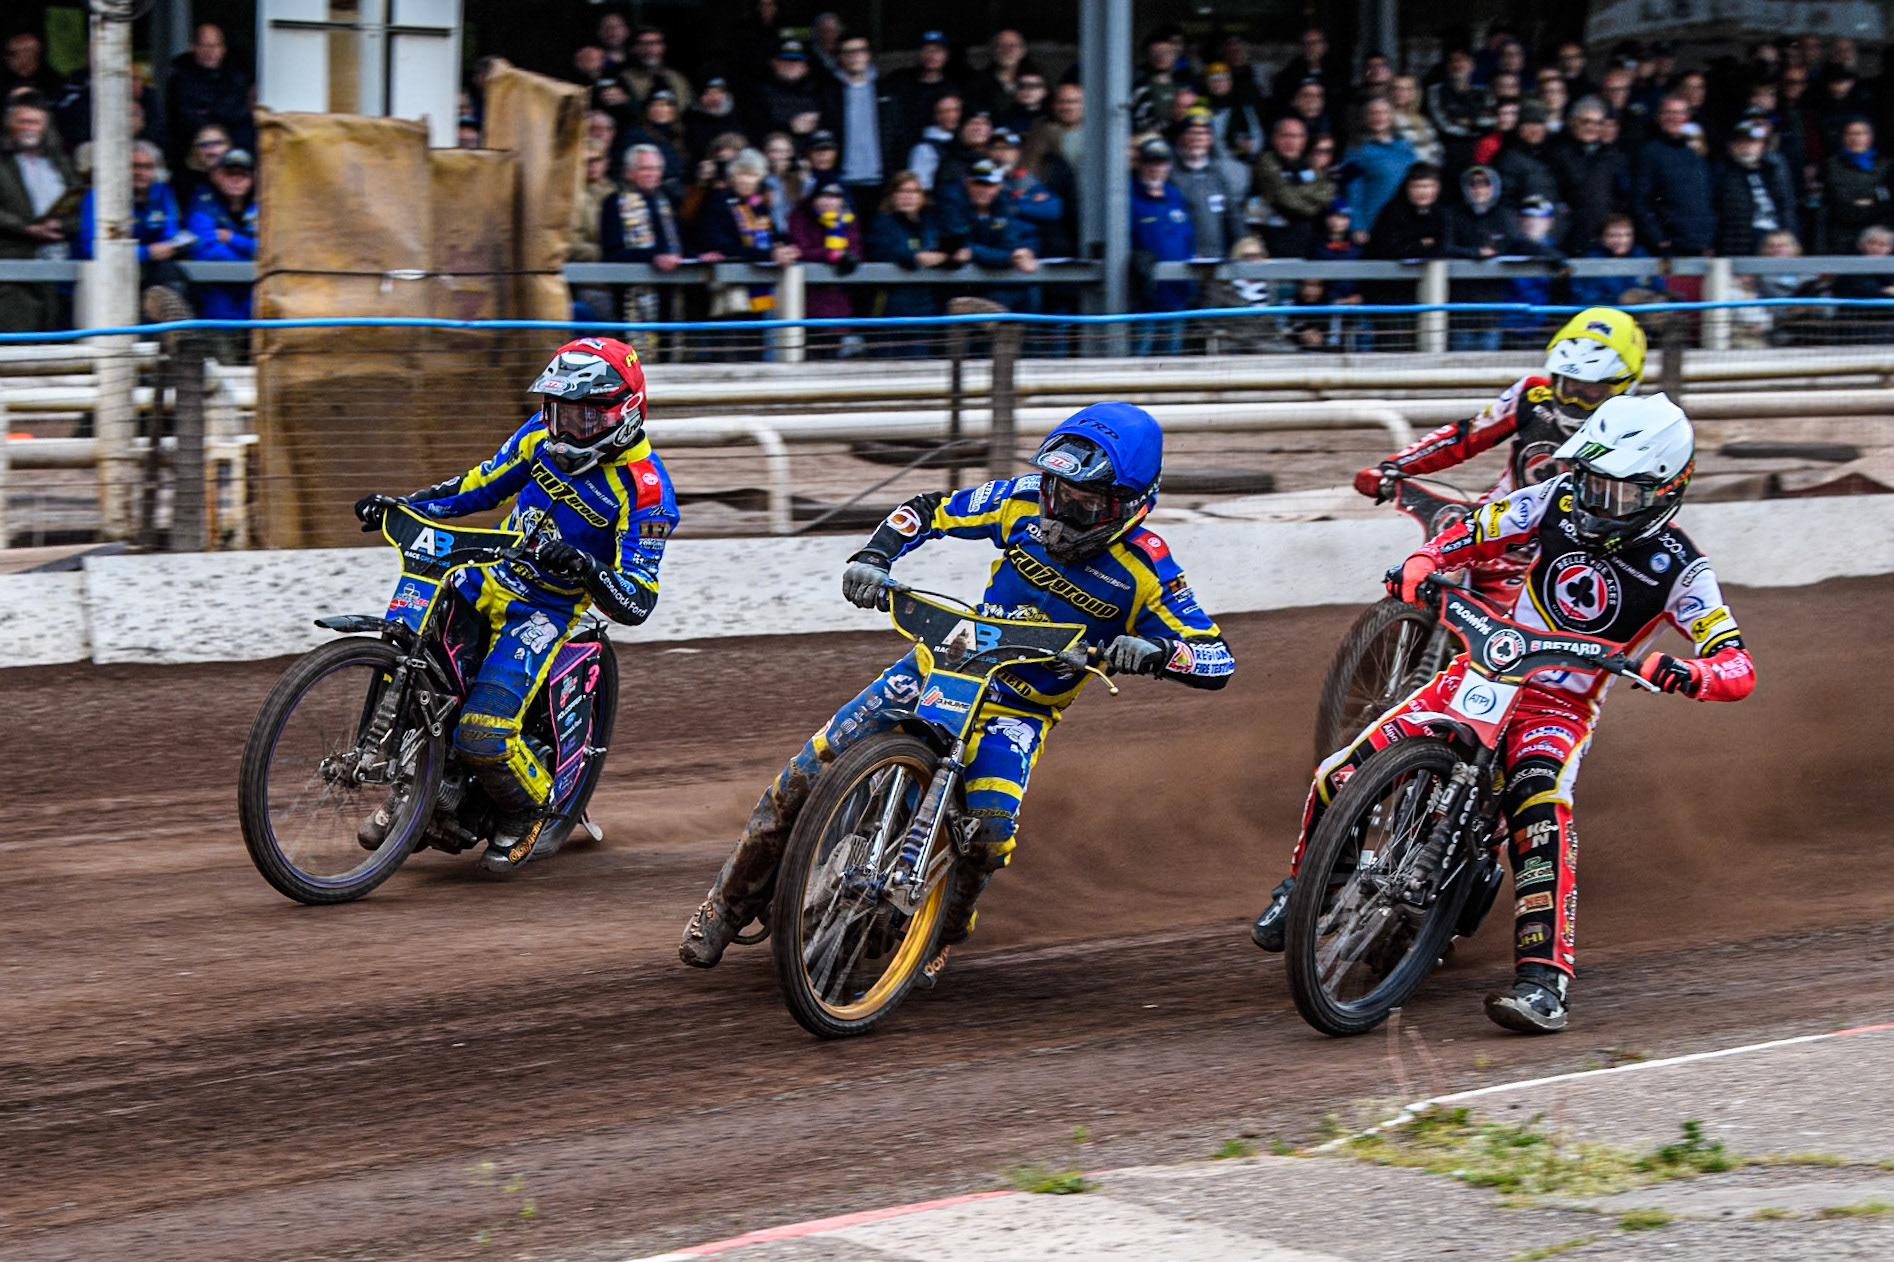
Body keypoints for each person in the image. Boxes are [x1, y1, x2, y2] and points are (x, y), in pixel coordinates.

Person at [1254, 393, 1753, 1034]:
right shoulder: (1556, 500)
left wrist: (1686, 672)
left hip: (1558, 705)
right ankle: (1309, 890)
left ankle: (1544, 982)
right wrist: (1425, 562)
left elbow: (1736, 665)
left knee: (1539, 810)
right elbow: (1477, 528)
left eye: (1618, 492)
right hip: (1484, 670)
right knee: (1339, 772)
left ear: (1666, 491)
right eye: (1591, 482)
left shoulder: (1682, 570)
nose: (1597, 502)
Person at [678, 403, 1234, 974]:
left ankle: (943, 928)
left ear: (1131, 503)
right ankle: (723, 906)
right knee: (803, 774)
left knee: (990, 835)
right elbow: (927, 510)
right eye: (1056, 492)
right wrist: (876, 554)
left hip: (1020, 708)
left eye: (1084, 502)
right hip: (941, 664)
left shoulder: (1149, 568)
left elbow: (1217, 656)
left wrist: (1161, 652)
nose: (1061, 511)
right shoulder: (1020, 500)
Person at [353, 339, 680, 872]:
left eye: (581, 415)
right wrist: (403, 503)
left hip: (547, 612)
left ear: (623, 413)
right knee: (414, 674)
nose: (563, 428)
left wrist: (585, 566)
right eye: (557, 410)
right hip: (485, 579)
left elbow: (638, 600)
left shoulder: (646, 491)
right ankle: (416, 789)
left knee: (481, 731)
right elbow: (476, 488)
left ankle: (531, 812)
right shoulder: (538, 436)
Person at [1346, 307, 1647, 590]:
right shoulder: (1532, 394)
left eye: (1591, 391)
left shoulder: (1640, 426)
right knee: (1427, 579)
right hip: (1503, 519)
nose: (1574, 399)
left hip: (1573, 546)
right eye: (1568, 386)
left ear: (1624, 385)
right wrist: (1393, 466)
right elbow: (1466, 436)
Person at [0, 95, 77, 333]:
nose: (28, 128)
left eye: (34, 122)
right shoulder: (3, 163)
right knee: (19, 332)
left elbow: (77, 206)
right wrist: (27, 228)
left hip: (58, 259)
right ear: (9, 124)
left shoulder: (60, 163)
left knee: (54, 331)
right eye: (22, 121)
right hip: (12, 261)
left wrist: (62, 226)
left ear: (46, 126)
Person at [601, 144, 685, 327]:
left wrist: (699, 255)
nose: (651, 174)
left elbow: (676, 245)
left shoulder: (665, 201)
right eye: (645, 168)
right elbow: (612, 252)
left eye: (655, 169)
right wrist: (654, 257)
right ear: (629, 172)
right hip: (631, 294)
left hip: (669, 292)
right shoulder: (614, 202)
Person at [1129, 139, 1195, 353]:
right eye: (1151, 163)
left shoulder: (1175, 195)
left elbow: (1188, 237)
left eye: (1161, 163)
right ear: (1140, 164)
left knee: (1170, 359)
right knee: (1140, 356)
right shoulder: (1128, 196)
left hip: (1176, 294)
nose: (1156, 169)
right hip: (1144, 297)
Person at [1631, 96, 1715, 255]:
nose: (1674, 118)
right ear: (1659, 117)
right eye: (1668, 112)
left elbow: (1709, 196)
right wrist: (1658, 238)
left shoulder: (1698, 150)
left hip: (1702, 244)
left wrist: (1710, 238)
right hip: (1669, 246)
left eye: (1679, 113)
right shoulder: (1649, 152)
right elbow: (1640, 201)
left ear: (1688, 117)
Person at [864, 169, 946, 330]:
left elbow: (942, 248)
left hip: (926, 305)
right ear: (892, 195)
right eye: (902, 191)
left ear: (922, 196)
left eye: (913, 191)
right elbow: (879, 252)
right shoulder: (881, 222)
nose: (908, 196)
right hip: (891, 305)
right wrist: (914, 256)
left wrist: (945, 256)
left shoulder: (931, 223)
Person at [182, 148, 257, 321]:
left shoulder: (261, 205)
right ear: (217, 176)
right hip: (214, 287)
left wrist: (233, 239)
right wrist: (250, 254)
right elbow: (205, 250)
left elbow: (270, 249)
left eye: (243, 174)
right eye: (230, 173)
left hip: (254, 289)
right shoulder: (203, 204)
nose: (236, 180)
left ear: (252, 179)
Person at [1251, 116, 1333, 259]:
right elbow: (1286, 200)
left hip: (1306, 246)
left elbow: (1326, 193)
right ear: (1275, 138)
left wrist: (1294, 192)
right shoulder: (1265, 162)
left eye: (1298, 136)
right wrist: (1312, 204)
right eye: (1286, 136)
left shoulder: (1310, 164)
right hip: (1271, 248)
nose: (1292, 142)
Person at [1714, 118, 1798, 257]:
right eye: (1740, 142)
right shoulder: (1722, 173)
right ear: (1730, 147)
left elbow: (1787, 209)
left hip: (1775, 243)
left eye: (1751, 141)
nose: (1745, 147)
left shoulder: (1774, 171)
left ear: (1762, 145)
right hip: (1740, 244)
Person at [167, 24, 251, 157]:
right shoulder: (180, 77)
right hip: (190, 151)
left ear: (223, 50)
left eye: (215, 46)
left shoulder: (235, 78)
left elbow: (237, 113)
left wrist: (207, 111)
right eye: (204, 46)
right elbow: (184, 118)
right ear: (193, 48)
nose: (210, 52)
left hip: (231, 148)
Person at [1342, 97, 1419, 240]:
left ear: (1391, 116)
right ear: (1365, 117)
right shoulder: (1354, 151)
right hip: (1374, 224)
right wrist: (1358, 226)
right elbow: (1351, 191)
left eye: (1384, 112)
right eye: (1373, 113)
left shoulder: (1405, 145)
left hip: (1407, 222)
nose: (1379, 117)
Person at [1169, 115, 1243, 260]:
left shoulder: (1218, 176)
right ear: (1181, 138)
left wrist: (1244, 247)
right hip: (1184, 261)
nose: (1198, 139)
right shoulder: (1171, 176)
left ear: (1210, 140)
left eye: (1203, 133)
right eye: (1192, 133)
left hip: (1218, 262)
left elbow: (1233, 217)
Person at [1818, 117, 1891, 252]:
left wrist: (1870, 205)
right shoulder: (1831, 165)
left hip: (1876, 232)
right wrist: (1864, 202)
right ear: (1844, 137)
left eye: (1862, 133)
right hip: (1840, 232)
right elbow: (1834, 199)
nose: (1856, 138)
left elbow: (1885, 200)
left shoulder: (1885, 165)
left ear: (1871, 137)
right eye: (1851, 133)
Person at [620, 26, 694, 112]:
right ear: (635, 48)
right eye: (644, 44)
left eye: (656, 43)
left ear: (663, 47)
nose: (650, 49)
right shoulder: (624, 78)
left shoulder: (678, 78)